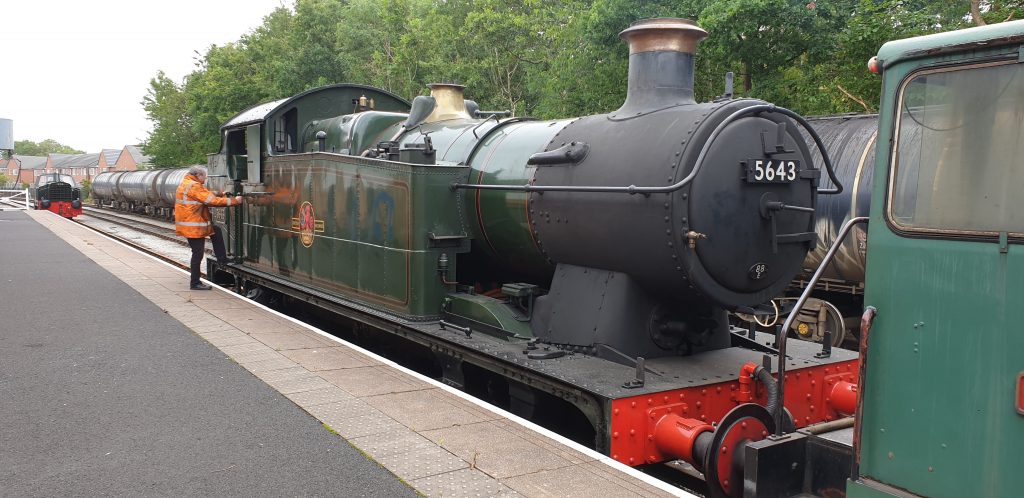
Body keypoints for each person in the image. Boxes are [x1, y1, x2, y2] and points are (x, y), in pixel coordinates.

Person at [174, 165, 243, 290]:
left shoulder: (187, 183)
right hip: (193, 226)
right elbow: (211, 201)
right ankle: (195, 283)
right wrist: (235, 201)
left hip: (190, 223)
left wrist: (220, 193)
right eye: (204, 177)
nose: (205, 180)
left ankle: (222, 259)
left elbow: (203, 195)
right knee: (197, 254)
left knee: (215, 230)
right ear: (198, 175)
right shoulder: (194, 185)